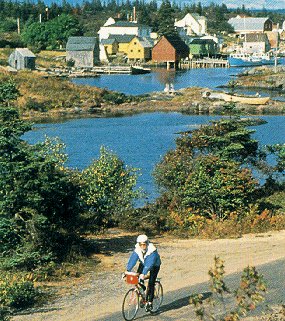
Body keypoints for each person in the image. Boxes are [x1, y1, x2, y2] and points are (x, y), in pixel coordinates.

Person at [126, 234, 161, 311]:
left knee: (151, 282)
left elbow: (149, 264)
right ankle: (143, 293)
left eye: (144, 244)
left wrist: (143, 273)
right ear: (138, 244)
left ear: (147, 243)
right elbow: (132, 260)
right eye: (140, 244)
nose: (142, 246)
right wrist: (127, 271)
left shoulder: (152, 250)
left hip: (154, 266)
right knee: (137, 278)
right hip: (143, 263)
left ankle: (150, 302)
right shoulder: (137, 249)